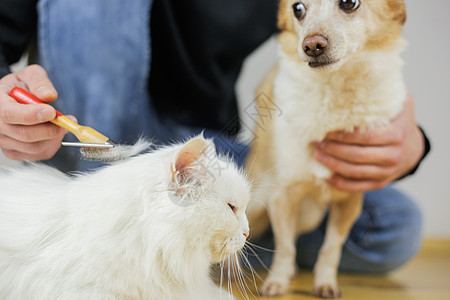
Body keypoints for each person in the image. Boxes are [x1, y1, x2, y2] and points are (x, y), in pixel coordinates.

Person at [0, 0, 429, 273]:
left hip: (201, 138)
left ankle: (193, 239)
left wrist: (413, 143)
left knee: (392, 228)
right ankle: (108, 210)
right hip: (93, 133)